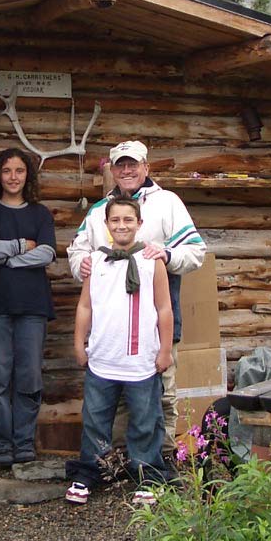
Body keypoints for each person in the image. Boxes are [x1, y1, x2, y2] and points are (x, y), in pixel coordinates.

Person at [67, 140, 206, 438]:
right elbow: (77, 250)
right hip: (109, 325)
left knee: (162, 390)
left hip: (156, 318)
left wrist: (167, 256)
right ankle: (116, 463)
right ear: (112, 170)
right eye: (121, 165)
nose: (127, 170)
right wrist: (82, 265)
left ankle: (161, 458)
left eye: (133, 164)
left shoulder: (167, 202)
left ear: (146, 167)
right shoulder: (98, 211)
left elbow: (196, 252)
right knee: (112, 398)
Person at [65, 197, 174, 506]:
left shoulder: (153, 261)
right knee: (96, 420)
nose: (122, 225)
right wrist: (79, 343)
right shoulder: (96, 262)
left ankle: (148, 474)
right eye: (115, 220)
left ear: (139, 224)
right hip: (103, 359)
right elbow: (85, 306)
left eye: (128, 220)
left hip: (141, 362)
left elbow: (164, 309)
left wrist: (165, 351)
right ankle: (91, 471)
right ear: (107, 224)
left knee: (144, 421)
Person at [0, 148, 57, 468]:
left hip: (33, 307)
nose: (13, 177)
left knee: (29, 377)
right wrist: (22, 246)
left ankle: (23, 441)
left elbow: (47, 254)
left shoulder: (40, 214)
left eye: (19, 170)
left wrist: (5, 257)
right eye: (6, 170)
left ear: (27, 176)